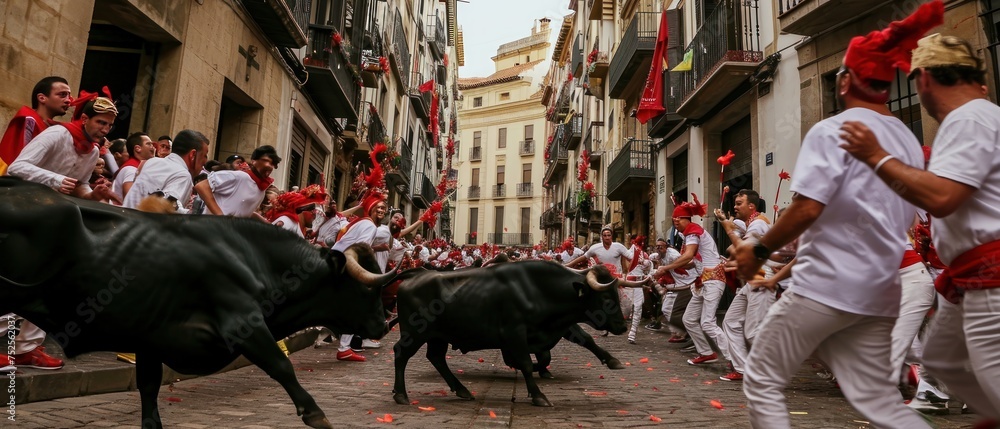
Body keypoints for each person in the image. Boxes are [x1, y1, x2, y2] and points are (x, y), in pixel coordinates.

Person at [731, 3, 941, 426]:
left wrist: (759, 249)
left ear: (845, 80)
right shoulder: (904, 137)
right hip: (880, 291)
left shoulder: (833, 129)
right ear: (885, 84)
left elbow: (809, 206)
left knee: (762, 378)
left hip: (829, 285)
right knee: (876, 398)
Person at [839, 31, 1000, 420]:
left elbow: (942, 197)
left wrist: (876, 155)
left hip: (989, 277)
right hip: (966, 278)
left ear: (923, 79)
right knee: (943, 360)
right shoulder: (977, 117)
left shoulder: (968, 119)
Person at [653, 196, 729, 366]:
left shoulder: (693, 230)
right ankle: (706, 353)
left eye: (678, 218)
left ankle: (733, 358)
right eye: (674, 218)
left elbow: (688, 255)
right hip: (704, 282)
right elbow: (691, 261)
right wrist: (673, 268)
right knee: (689, 319)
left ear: (685, 219)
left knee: (708, 323)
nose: (675, 221)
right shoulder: (691, 233)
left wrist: (665, 268)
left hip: (713, 280)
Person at [715, 189, 771, 382]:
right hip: (751, 280)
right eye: (735, 203)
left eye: (739, 203)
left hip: (762, 279)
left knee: (753, 333)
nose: (735, 207)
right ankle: (743, 369)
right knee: (730, 322)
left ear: (751, 206)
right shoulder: (752, 225)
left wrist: (727, 226)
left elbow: (741, 251)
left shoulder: (758, 224)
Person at [122, 130, 209, 212]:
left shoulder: (152, 162)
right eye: (204, 155)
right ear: (192, 155)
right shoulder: (182, 175)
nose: (205, 161)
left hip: (125, 221)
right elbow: (166, 212)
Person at [0, 76, 72, 175]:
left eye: (69, 96)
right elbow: (18, 163)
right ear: (42, 98)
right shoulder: (28, 121)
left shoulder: (54, 128)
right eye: (62, 95)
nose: (68, 100)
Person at [195, 145, 280, 217]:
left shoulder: (261, 191)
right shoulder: (239, 176)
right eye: (266, 161)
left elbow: (245, 212)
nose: (269, 166)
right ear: (253, 161)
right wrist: (221, 217)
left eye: (273, 163)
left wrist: (266, 223)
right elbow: (202, 186)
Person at [112, 132, 155, 204]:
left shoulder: (137, 167)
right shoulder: (131, 170)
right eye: (148, 144)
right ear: (138, 148)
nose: (153, 147)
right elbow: (131, 201)